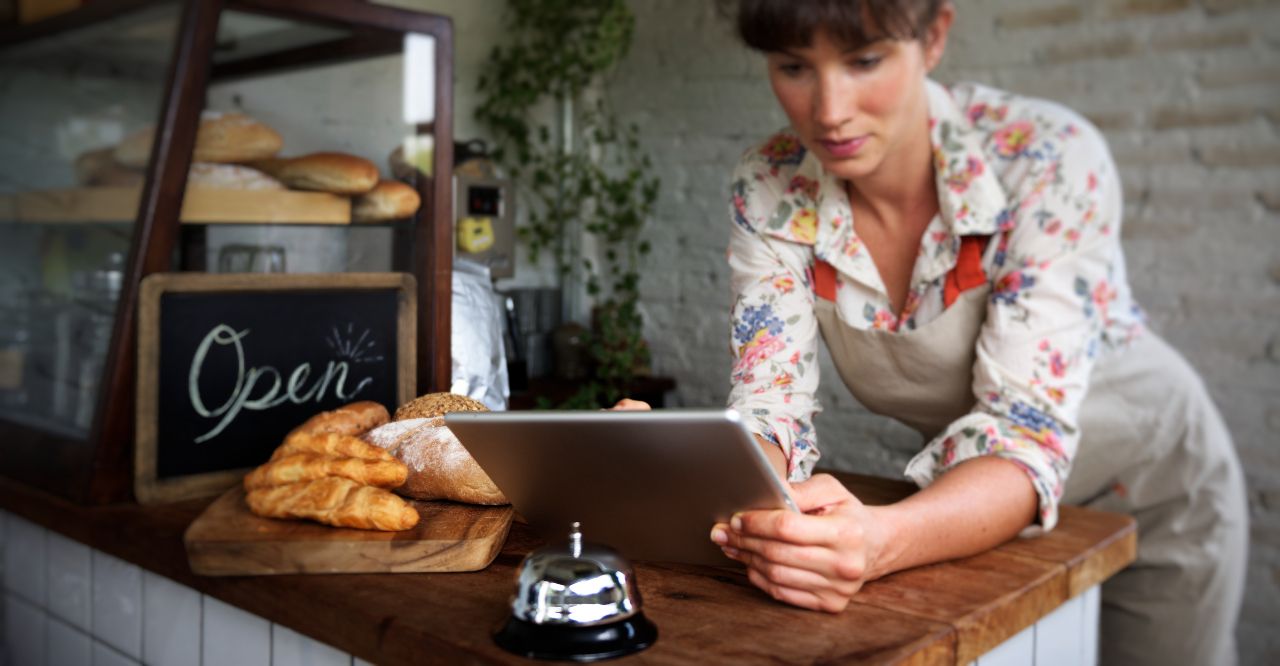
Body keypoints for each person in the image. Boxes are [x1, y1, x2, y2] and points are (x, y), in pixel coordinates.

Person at [683, 1, 1249, 664]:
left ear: (934, 36)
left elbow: (1022, 429)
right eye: (794, 67)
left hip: (1150, 492)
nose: (830, 109)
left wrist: (880, 540)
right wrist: (701, 480)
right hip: (969, 504)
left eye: (865, 60)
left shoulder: (1044, 157)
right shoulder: (770, 185)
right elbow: (769, 407)